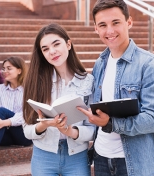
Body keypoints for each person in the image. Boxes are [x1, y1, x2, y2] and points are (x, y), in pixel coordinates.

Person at [77, 0, 154, 176]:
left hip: (134, 162)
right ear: (96, 28)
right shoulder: (100, 63)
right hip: (101, 156)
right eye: (103, 25)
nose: (109, 31)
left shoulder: (149, 64)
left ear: (129, 22)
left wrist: (111, 124)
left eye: (115, 22)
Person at [22, 23, 95, 176]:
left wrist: (69, 131)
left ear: (68, 44)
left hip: (77, 156)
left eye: (56, 44)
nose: (52, 52)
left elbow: (93, 129)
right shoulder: (35, 82)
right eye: (45, 49)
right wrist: (44, 125)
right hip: (44, 156)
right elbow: (27, 129)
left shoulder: (88, 81)